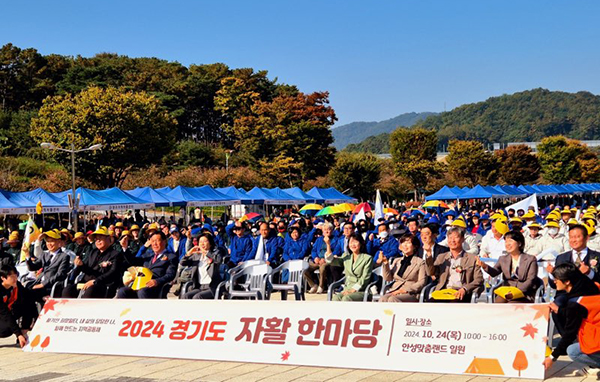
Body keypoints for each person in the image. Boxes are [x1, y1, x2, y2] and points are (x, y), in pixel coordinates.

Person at [543, 263, 600, 376]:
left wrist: (552, 357)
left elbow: (570, 333)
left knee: (573, 351)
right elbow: (580, 312)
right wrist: (559, 310)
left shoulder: (576, 303)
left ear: (567, 281)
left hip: (597, 339)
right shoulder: (594, 287)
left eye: (557, 279)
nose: (554, 282)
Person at [477, 230, 539, 303]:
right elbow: (494, 272)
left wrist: (516, 292)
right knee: (497, 304)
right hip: (507, 292)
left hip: (524, 293)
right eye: (506, 242)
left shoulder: (530, 259)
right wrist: (484, 266)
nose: (507, 244)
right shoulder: (503, 259)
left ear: (519, 243)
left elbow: (530, 280)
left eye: (510, 241)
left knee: (511, 305)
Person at [62, 227, 124, 298]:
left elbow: (113, 272)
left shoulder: (116, 254)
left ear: (108, 239)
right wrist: (81, 265)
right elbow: (87, 269)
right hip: (86, 282)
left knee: (91, 290)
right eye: (96, 239)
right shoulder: (93, 252)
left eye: (100, 238)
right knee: (67, 290)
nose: (98, 241)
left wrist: (95, 281)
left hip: (103, 284)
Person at [426, 227, 484, 302]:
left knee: (452, 305)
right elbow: (431, 272)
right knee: (428, 306)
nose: (452, 240)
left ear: (463, 239)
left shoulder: (472, 258)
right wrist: (429, 255)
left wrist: (465, 289)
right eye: (450, 238)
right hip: (444, 291)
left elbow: (479, 279)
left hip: (460, 292)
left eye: (456, 237)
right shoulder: (442, 257)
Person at [117, 231, 178, 299]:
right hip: (140, 284)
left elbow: (170, 275)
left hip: (156, 287)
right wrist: (125, 248)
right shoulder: (148, 255)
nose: (154, 243)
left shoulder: (171, 257)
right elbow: (133, 261)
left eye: (157, 241)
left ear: (164, 241)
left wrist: (157, 281)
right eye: (152, 241)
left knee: (142, 291)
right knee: (122, 291)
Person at [26, 229, 71, 304]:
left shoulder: (64, 256)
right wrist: (27, 256)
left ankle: (41, 299)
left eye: (52, 241)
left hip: (51, 285)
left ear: (59, 242)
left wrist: (43, 284)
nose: (49, 244)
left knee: (28, 293)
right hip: (39, 283)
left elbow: (60, 274)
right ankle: (41, 300)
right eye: (47, 241)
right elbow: (33, 267)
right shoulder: (44, 254)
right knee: (22, 291)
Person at [325, 233, 373, 301]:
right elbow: (331, 261)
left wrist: (354, 289)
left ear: (361, 243)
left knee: (346, 298)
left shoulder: (367, 258)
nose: (353, 245)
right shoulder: (346, 257)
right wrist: (328, 245)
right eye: (351, 242)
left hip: (361, 290)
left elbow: (365, 278)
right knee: (335, 298)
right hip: (347, 288)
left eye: (355, 242)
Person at [379, 234, 427, 302]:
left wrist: (405, 290)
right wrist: (385, 263)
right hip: (395, 290)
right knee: (383, 299)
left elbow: (422, 282)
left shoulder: (420, 262)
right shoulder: (397, 261)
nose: (405, 245)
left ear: (414, 246)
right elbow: (388, 278)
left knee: (392, 299)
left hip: (411, 293)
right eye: (403, 242)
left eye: (408, 242)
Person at [0, 264, 37, 348]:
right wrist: (18, 334)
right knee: (6, 330)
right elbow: (5, 313)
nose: (15, 279)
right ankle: (20, 336)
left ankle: (24, 334)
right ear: (3, 278)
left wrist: (43, 296)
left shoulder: (17, 285)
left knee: (28, 304)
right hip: (3, 314)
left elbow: (29, 295)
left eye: (15, 275)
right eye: (11, 276)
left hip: (8, 312)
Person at [181, 233, 224, 299]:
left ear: (210, 243)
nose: (202, 244)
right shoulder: (196, 256)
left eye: (205, 241)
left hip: (211, 287)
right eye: (200, 242)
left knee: (197, 297)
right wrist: (189, 253)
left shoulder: (215, 254)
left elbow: (218, 260)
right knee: (185, 296)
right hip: (199, 286)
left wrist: (205, 252)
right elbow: (182, 263)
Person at [304, 222, 338, 294]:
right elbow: (313, 250)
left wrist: (326, 259)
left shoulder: (336, 239)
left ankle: (321, 286)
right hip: (318, 260)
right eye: (325, 229)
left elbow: (337, 251)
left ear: (332, 230)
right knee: (304, 268)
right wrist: (315, 257)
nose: (326, 231)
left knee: (322, 268)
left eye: (328, 229)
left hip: (329, 261)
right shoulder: (319, 239)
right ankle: (313, 285)